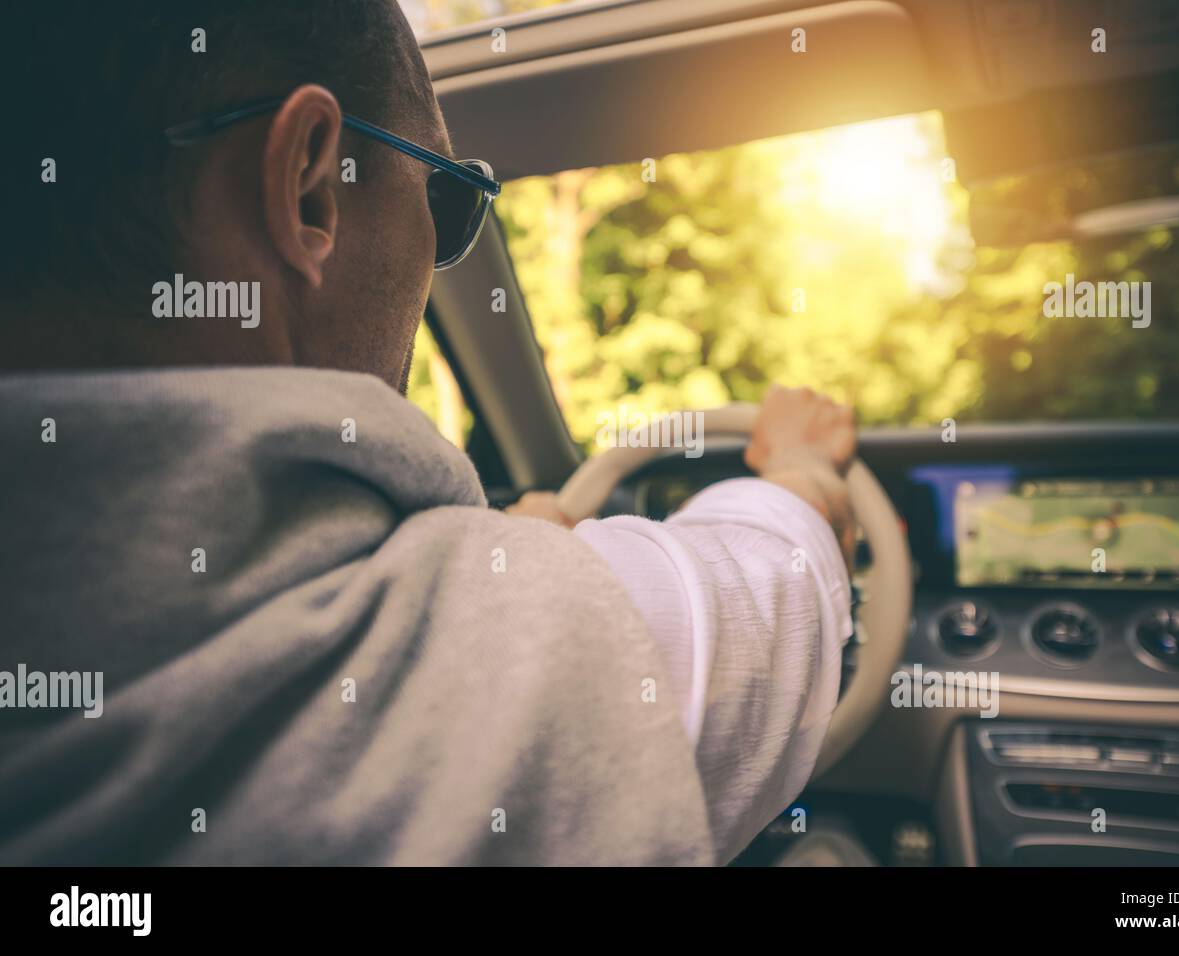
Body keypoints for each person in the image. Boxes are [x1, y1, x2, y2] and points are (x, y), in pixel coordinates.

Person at [0, 1, 857, 865]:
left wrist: (512, 564)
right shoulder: (412, 669)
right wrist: (802, 471)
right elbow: (767, 604)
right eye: (446, 199)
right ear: (308, 187)